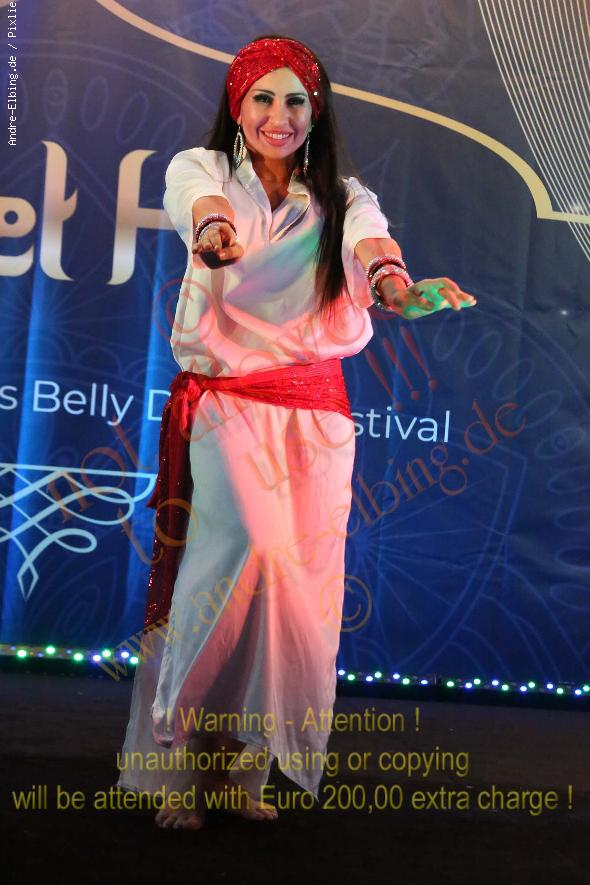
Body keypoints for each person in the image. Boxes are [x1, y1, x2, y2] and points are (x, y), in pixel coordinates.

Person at [115, 33, 477, 831]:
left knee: (294, 590)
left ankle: (242, 766)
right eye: (263, 98)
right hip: (229, 402)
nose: (279, 115)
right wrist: (214, 232)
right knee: (239, 551)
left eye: (296, 101)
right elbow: (196, 205)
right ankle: (179, 756)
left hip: (317, 412)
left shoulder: (343, 196)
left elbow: (371, 249)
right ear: (238, 105)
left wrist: (399, 288)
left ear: (316, 112)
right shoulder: (203, 170)